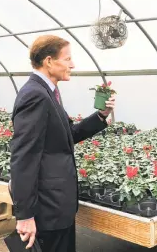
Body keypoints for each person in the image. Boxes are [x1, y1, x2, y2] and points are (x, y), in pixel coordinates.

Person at [9, 35, 115, 252]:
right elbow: (24, 157)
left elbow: (68, 134)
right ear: (49, 61)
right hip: (47, 208)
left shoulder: (48, 92)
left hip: (57, 207)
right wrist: (25, 215)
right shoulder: (36, 96)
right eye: (67, 59)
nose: (72, 64)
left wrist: (101, 115)